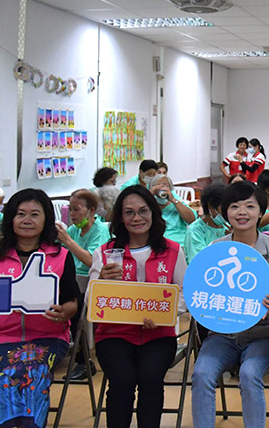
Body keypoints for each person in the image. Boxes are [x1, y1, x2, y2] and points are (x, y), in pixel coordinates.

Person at [192, 181, 269, 428]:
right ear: (225, 212)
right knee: (201, 374)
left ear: (261, 212)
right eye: (234, 206)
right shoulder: (215, 249)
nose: (242, 212)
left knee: (250, 374)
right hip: (223, 336)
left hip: (265, 337)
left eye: (250, 206)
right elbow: (202, 293)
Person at [0, 188, 80, 428]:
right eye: (20, 214)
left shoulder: (60, 256)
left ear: (46, 219)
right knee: (6, 372)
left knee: (33, 371)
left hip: (48, 337)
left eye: (34, 214)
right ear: (11, 218)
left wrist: (64, 312)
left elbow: (72, 303)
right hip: (1, 337)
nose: (27, 220)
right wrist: (2, 303)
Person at [89, 186, 187, 428]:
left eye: (143, 211)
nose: (137, 218)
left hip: (158, 334)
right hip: (114, 334)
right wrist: (101, 280)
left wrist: (165, 315)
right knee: (122, 380)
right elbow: (90, 300)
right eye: (129, 212)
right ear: (120, 217)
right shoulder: (105, 253)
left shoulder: (173, 250)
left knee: (151, 379)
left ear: (153, 213)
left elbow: (184, 295)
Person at [57, 189, 111, 379]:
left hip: (95, 281)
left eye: (77, 209)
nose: (72, 214)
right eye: (70, 209)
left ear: (92, 210)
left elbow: (92, 262)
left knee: (75, 307)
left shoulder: (100, 230)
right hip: (75, 280)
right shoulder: (74, 230)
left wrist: (68, 241)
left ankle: (83, 361)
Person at [183, 183, 228, 264]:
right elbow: (199, 262)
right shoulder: (195, 231)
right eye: (223, 208)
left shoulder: (229, 227)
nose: (227, 212)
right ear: (211, 207)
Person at [148, 174, 196, 244]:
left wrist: (173, 200)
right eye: (157, 185)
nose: (162, 188)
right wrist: (149, 195)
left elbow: (192, 220)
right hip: (157, 243)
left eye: (165, 185)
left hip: (179, 242)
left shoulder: (177, 204)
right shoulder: (148, 205)